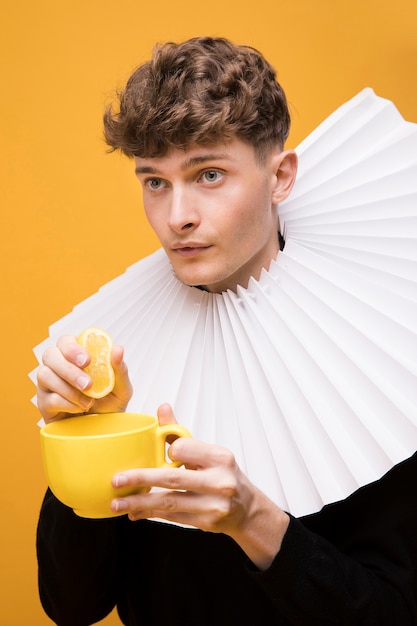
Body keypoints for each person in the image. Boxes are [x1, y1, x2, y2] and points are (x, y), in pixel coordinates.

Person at [35, 36, 417, 625]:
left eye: (208, 174)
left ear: (280, 176)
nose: (176, 216)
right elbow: (72, 605)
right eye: (154, 182)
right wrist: (88, 432)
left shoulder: (379, 351)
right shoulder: (114, 354)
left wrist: (252, 521)